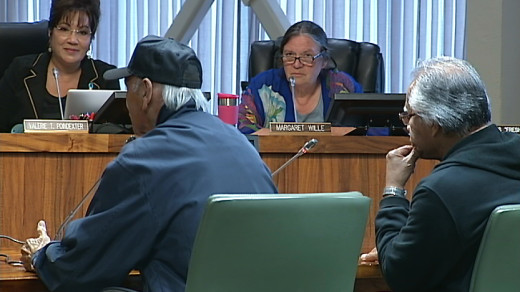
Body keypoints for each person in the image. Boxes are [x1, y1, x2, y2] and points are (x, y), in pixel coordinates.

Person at [20, 35, 278, 292]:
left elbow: (81, 268)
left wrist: (42, 255)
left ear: (145, 91)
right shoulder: (241, 144)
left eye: (126, 87)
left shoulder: (143, 160)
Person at [359, 56, 520, 291]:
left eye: (409, 115)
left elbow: (400, 274)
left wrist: (393, 191)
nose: (406, 125)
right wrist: (405, 244)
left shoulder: (443, 190)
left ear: (434, 124)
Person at [0, 0, 120, 133]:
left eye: (83, 32)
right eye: (64, 29)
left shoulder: (105, 78)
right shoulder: (20, 71)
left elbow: (114, 137)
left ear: (91, 39)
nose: (73, 40)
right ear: (50, 32)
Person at [238, 20, 363, 134]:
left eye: (307, 56)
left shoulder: (343, 86)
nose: (297, 64)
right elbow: (243, 132)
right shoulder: (263, 86)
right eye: (289, 55)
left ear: (324, 60)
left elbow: (374, 132)